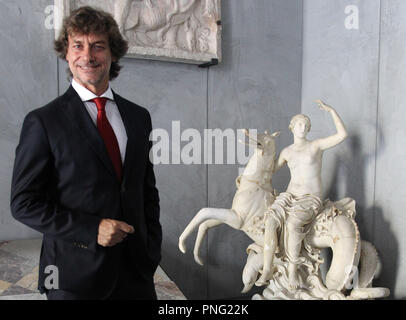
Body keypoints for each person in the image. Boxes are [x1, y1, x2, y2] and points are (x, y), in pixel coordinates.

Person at [10, 6, 162, 300]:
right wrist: (93, 229)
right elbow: (23, 203)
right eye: (77, 45)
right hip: (73, 278)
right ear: (66, 53)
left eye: (98, 46)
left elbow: (146, 191)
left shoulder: (138, 117)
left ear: (113, 54)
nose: (87, 56)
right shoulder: (43, 121)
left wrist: (151, 247)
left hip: (137, 276)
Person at [255, 100, 348, 289]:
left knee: (292, 224)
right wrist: (263, 150)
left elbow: (342, 135)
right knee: (271, 222)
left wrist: (331, 111)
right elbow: (269, 171)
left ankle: (292, 271)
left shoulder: (316, 146)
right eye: (299, 123)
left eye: (306, 124)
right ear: (291, 127)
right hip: (289, 196)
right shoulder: (287, 151)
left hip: (309, 198)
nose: (303, 127)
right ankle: (266, 269)